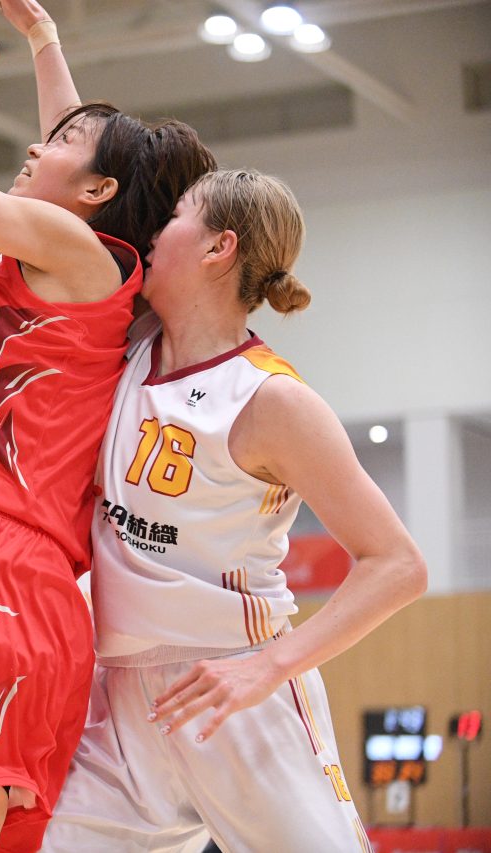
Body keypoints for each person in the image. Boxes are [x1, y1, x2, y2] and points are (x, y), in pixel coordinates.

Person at [0, 2, 214, 851]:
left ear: (96, 192)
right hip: (18, 585)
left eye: (59, 143)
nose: (33, 145)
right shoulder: (40, 287)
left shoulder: (78, 253)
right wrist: (38, 44)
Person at [40, 170, 428, 851]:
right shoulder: (127, 346)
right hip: (120, 696)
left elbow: (398, 564)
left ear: (220, 247)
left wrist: (272, 665)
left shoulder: (271, 398)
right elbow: (87, 162)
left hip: (234, 685)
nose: (153, 230)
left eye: (176, 215)